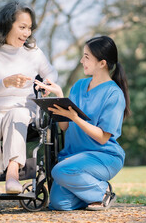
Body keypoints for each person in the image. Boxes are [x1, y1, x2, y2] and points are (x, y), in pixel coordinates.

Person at [0, 1, 58, 195]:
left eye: (29, 28)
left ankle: (13, 174)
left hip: (22, 107)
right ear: (7, 25)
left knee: (16, 116)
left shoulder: (33, 52)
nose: (26, 34)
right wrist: (5, 82)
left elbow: (51, 72)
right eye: (22, 27)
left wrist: (47, 84)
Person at [34, 35, 131, 211]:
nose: (81, 61)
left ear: (102, 63)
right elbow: (64, 127)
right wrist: (59, 97)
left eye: (86, 57)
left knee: (59, 171)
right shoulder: (78, 86)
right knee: (59, 204)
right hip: (73, 159)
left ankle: (102, 193)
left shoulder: (114, 94)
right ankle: (92, 191)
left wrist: (75, 118)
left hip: (103, 157)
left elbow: (102, 138)